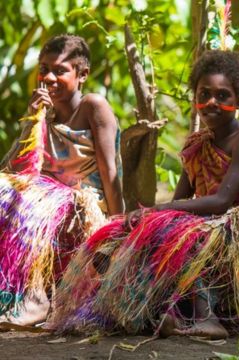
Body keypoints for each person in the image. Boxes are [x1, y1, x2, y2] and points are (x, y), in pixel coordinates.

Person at [48, 50, 239, 339]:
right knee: (126, 235)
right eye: (204, 93)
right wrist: (147, 219)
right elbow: (182, 199)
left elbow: (222, 202)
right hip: (213, 222)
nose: (212, 102)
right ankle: (128, 307)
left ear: (238, 102)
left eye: (223, 96)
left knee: (182, 233)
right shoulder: (197, 145)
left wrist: (156, 211)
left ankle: (209, 319)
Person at [0, 34, 123, 325]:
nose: (49, 77)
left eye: (60, 70)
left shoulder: (93, 106)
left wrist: (118, 224)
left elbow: (110, 170)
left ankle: (37, 300)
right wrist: (34, 117)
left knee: (33, 204)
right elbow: (17, 167)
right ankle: (20, 291)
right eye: (44, 69)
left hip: (82, 204)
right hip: (46, 202)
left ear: (82, 75)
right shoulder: (45, 112)